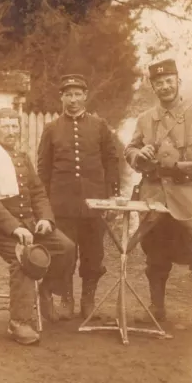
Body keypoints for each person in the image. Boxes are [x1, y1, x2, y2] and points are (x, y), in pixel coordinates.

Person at [0, 107, 76, 346]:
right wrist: (14, 228)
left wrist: (45, 219)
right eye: (6, 126)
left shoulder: (22, 157)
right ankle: (19, 322)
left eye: (14, 126)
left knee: (66, 247)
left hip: (29, 224)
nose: (11, 131)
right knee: (24, 257)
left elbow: (38, 192)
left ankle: (45, 290)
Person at [124, 59, 192, 319]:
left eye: (169, 81)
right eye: (159, 83)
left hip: (187, 198)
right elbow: (130, 150)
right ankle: (156, 308)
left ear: (178, 81)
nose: (165, 86)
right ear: (153, 87)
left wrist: (180, 166)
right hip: (154, 196)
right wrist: (140, 154)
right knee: (155, 254)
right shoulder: (146, 119)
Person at [37, 74, 121, 320]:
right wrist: (44, 206)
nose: (73, 100)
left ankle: (88, 298)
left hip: (94, 204)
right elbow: (43, 169)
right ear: (61, 97)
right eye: (68, 95)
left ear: (85, 95)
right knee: (65, 254)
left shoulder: (99, 126)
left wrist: (112, 196)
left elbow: (111, 160)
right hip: (62, 205)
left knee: (93, 254)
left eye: (77, 94)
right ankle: (66, 298)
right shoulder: (51, 129)